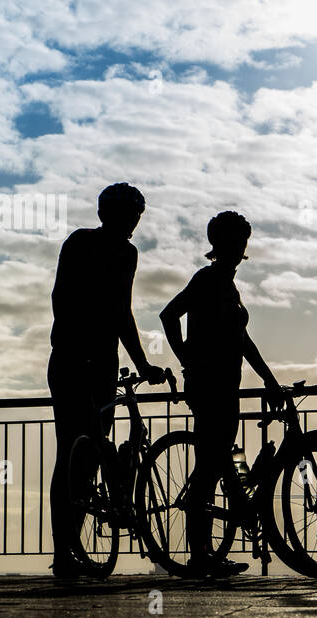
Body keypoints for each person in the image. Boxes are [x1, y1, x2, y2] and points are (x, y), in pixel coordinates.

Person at [48, 182, 165, 578]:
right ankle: (63, 552)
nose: (133, 222)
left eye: (137, 215)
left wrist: (143, 363)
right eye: (128, 214)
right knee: (71, 452)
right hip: (70, 360)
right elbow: (62, 299)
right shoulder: (80, 242)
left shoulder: (129, 254)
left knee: (87, 458)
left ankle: (74, 546)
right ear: (106, 215)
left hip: (102, 364)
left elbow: (123, 312)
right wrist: (74, 345)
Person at [160, 211, 283, 579]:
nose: (238, 247)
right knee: (211, 465)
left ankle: (213, 545)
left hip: (227, 384)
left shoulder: (228, 285)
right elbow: (169, 315)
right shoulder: (208, 279)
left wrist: (269, 378)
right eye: (232, 240)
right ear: (218, 244)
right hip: (209, 385)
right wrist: (188, 361)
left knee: (222, 459)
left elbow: (242, 340)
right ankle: (201, 556)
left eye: (242, 240)